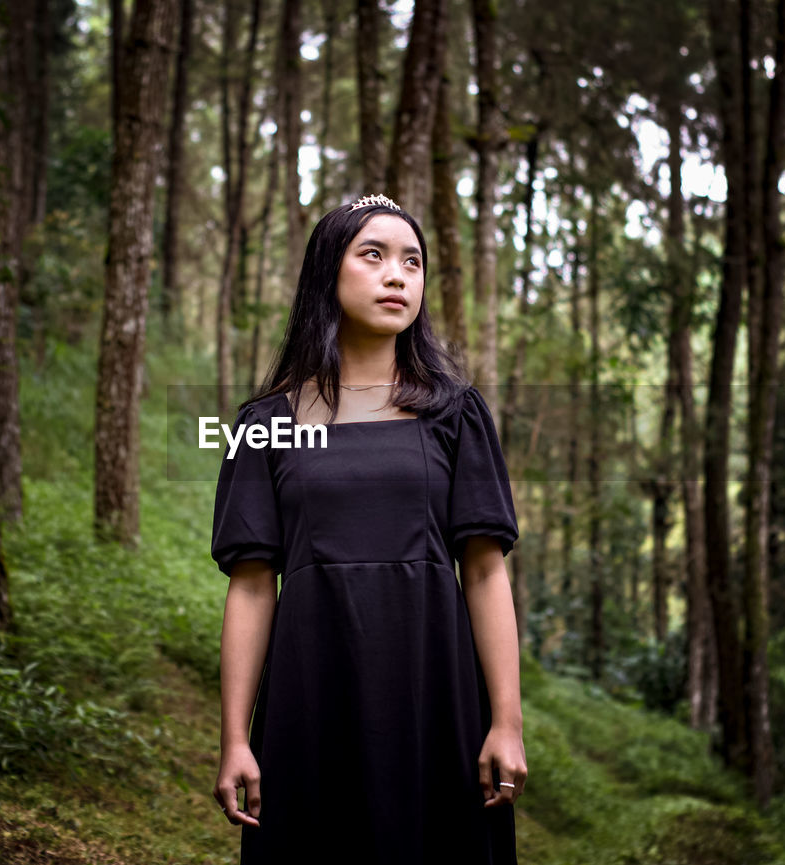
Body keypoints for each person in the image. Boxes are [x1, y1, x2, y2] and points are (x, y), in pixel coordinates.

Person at [209, 193, 527, 864]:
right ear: (329, 272)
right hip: (310, 696)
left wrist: (506, 719)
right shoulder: (264, 422)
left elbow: (485, 568)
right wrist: (235, 736)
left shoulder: (457, 414)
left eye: (412, 261)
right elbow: (251, 586)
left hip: (435, 696)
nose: (397, 275)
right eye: (374, 255)